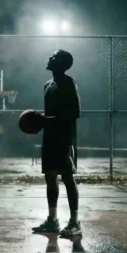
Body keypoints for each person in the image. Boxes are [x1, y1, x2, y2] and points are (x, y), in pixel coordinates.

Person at [32, 50, 81, 238]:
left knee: (68, 178)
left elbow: (74, 113)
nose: (49, 58)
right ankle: (52, 220)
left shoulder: (69, 84)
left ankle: (75, 222)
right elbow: (50, 114)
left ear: (61, 63)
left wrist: (46, 120)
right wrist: (39, 121)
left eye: (53, 57)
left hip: (64, 138)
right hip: (50, 138)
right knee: (50, 178)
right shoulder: (47, 84)